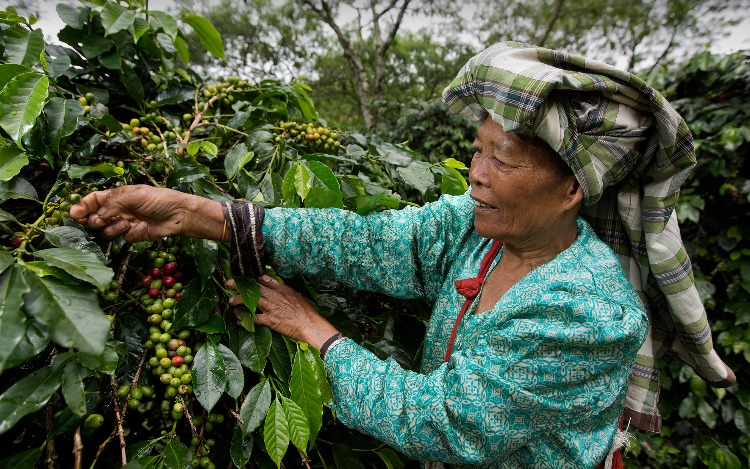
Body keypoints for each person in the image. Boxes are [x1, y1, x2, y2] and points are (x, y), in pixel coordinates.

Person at [70, 42, 734, 468]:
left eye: (501, 158)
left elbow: (442, 422)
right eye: (477, 149)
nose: (475, 173)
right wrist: (196, 213)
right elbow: (368, 243)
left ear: (570, 189)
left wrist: (318, 333)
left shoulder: (587, 312)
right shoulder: (479, 230)